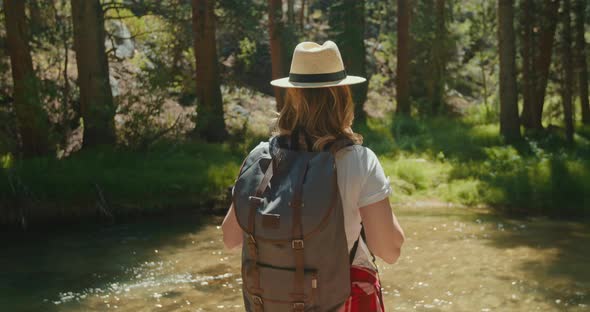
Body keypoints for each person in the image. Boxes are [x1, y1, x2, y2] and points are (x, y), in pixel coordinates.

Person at [221, 40, 405, 312]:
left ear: (292, 97)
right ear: (343, 96)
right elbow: (390, 251)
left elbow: (230, 238)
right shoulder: (359, 160)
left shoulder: (261, 157)